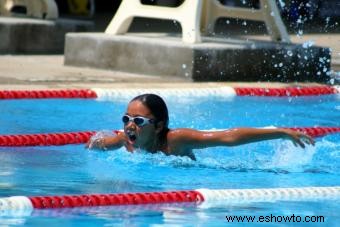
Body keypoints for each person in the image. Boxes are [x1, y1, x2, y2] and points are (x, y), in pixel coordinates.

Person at [87, 93, 315, 160]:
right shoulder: (125, 143)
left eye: (138, 121)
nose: (129, 126)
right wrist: (94, 144)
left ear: (158, 126)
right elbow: (95, 145)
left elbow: (227, 137)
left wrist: (280, 132)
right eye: (126, 119)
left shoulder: (175, 140)